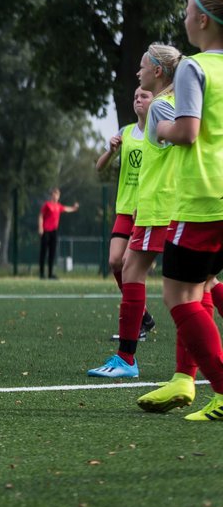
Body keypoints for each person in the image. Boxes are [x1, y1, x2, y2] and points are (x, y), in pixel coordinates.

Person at [138, 0, 223, 419]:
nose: (185, 19)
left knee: (178, 296)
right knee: (202, 287)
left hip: (204, 197)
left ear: (203, 20)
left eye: (188, 12)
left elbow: (187, 131)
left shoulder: (193, 67)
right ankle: (183, 380)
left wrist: (159, 129)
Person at [87, 45, 180, 378]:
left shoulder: (163, 109)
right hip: (150, 207)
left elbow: (189, 138)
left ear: (157, 71)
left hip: (159, 206)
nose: (137, 73)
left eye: (142, 67)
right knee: (130, 268)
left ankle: (129, 360)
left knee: (189, 288)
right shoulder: (140, 123)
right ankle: (129, 357)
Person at [95, 86, 156, 341]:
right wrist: (110, 150)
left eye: (144, 96)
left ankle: (135, 326)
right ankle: (142, 316)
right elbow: (100, 167)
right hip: (124, 208)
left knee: (132, 267)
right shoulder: (126, 132)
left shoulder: (160, 133)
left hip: (146, 209)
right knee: (114, 262)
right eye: (135, 97)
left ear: (156, 99)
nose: (138, 100)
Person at [38, 188, 79, 279]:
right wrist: (40, 227)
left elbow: (66, 209)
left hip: (54, 231)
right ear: (52, 195)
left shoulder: (58, 206)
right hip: (46, 231)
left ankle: (50, 274)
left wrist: (74, 208)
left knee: (52, 253)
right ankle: (41, 273)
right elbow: (41, 215)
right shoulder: (47, 205)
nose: (56, 196)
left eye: (57, 194)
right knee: (43, 252)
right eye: (54, 194)